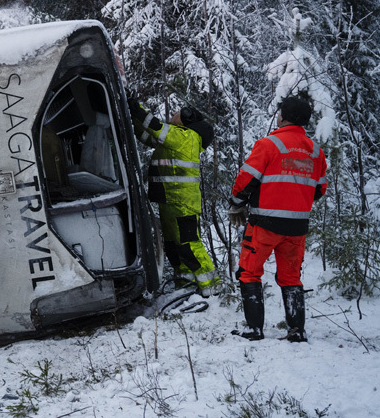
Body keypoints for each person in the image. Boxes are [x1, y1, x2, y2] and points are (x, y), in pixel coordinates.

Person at [228, 93, 327, 342]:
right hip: (297, 227)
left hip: (265, 224)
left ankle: (254, 329)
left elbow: (246, 180)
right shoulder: (317, 152)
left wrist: (236, 204)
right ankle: (296, 331)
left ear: (284, 117)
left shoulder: (268, 145)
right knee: (291, 277)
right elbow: (319, 191)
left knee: (249, 273)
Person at [129, 98, 220, 296]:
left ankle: (212, 287)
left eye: (177, 112)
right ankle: (185, 281)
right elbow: (146, 134)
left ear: (186, 119)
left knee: (188, 243)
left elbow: (155, 126)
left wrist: (136, 108)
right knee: (173, 245)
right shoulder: (174, 138)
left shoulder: (186, 137)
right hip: (169, 200)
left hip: (182, 202)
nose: (173, 114)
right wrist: (132, 115)